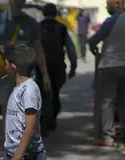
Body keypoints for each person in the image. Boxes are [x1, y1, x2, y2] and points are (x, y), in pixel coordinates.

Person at [89, 0, 125, 148]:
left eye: (108, 3)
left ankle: (109, 137)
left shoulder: (111, 20)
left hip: (109, 66)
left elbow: (95, 39)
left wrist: (93, 48)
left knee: (107, 101)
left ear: (117, 3)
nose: (107, 7)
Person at [0, 0, 51, 121]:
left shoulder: (31, 23)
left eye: (23, 0)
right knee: (7, 110)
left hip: (26, 73)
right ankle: (10, 139)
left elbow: (39, 49)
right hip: (4, 71)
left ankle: (26, 138)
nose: (20, 2)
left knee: (28, 110)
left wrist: (45, 74)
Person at [39, 3, 77, 133]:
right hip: (58, 67)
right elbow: (70, 48)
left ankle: (44, 122)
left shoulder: (37, 27)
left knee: (42, 95)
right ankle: (52, 119)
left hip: (41, 67)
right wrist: (73, 66)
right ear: (55, 14)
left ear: (44, 13)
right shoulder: (61, 28)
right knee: (55, 93)